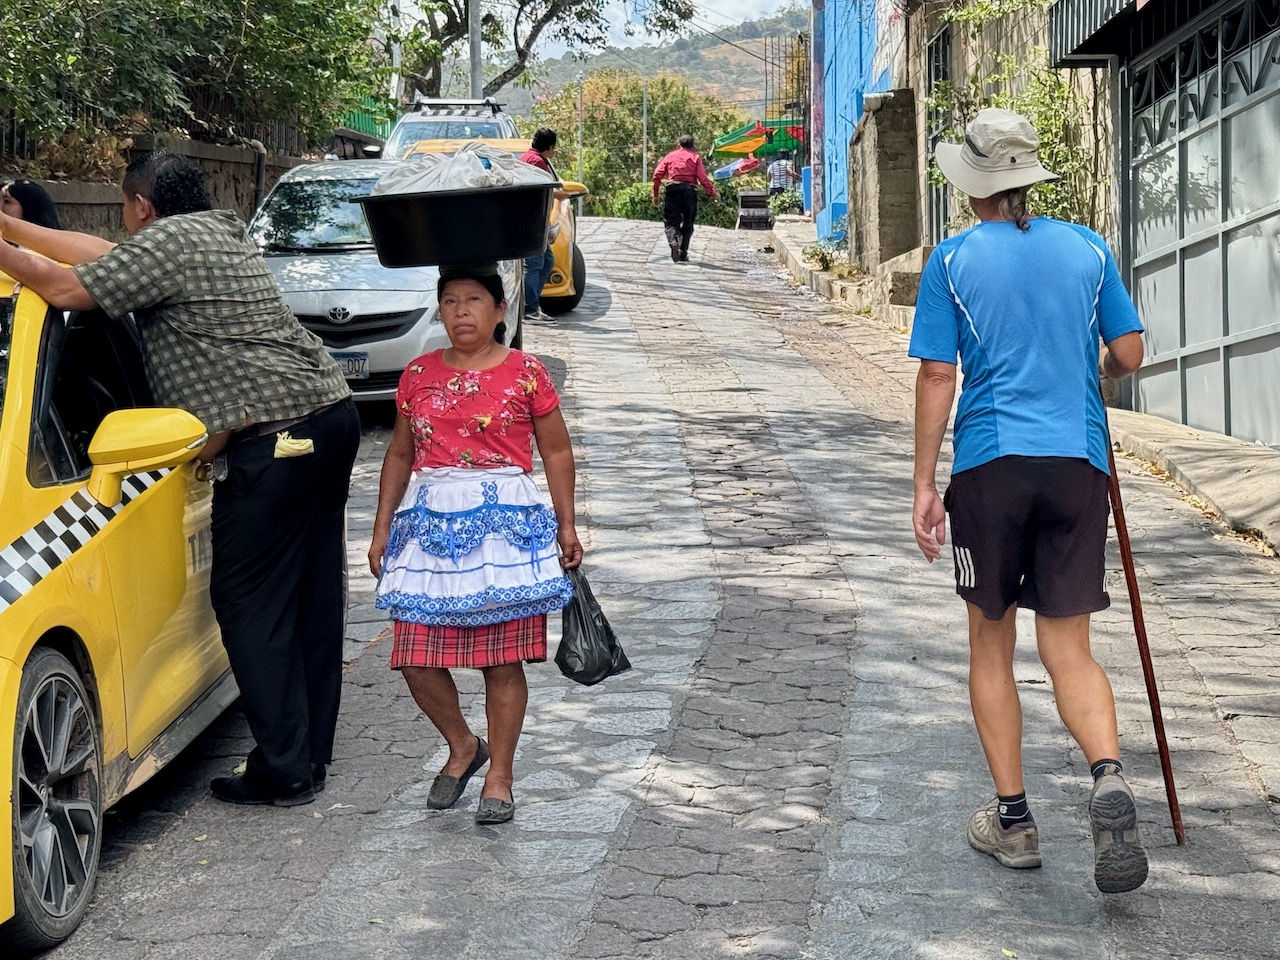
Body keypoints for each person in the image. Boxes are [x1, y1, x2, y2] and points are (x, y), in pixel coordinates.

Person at [0, 151, 360, 808]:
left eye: (124, 210)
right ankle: (308, 758)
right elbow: (98, 255)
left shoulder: (167, 244)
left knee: (248, 601)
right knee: (311, 597)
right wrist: (9, 230)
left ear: (141, 206)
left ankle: (283, 766)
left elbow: (66, 288)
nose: (124, 224)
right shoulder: (217, 231)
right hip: (328, 417)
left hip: (277, 439)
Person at [909, 108, 1149, 894]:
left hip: (992, 466)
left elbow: (938, 374)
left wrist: (923, 483)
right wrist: (1088, 370)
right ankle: (1107, 774)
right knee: (1069, 647)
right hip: (1078, 462)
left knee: (990, 643)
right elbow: (1129, 352)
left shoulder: (951, 261)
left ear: (972, 184)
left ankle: (1014, 822)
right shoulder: (1088, 247)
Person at [368, 263, 582, 825]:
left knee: (502, 662)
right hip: (429, 528)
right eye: (450, 301)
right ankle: (463, 744)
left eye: (474, 299)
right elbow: (400, 453)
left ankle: (500, 775)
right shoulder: (417, 375)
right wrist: (382, 526)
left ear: (500, 309)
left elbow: (557, 451)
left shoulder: (525, 373)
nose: (461, 310)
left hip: (506, 531)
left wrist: (566, 525)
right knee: (414, 656)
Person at [518, 128, 571, 326]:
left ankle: (533, 305)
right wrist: (559, 195)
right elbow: (538, 190)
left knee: (547, 261)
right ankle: (529, 310)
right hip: (532, 221)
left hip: (534, 220)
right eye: (554, 148)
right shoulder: (536, 162)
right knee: (534, 265)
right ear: (550, 147)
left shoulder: (529, 158)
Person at [651, 135, 719, 263]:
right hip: (689, 192)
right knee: (688, 223)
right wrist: (713, 193)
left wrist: (655, 194)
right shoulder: (695, 157)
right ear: (693, 146)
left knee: (671, 222)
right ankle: (683, 253)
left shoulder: (670, 156)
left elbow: (657, 174)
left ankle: (673, 241)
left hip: (672, 191)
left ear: (679, 144)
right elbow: (702, 178)